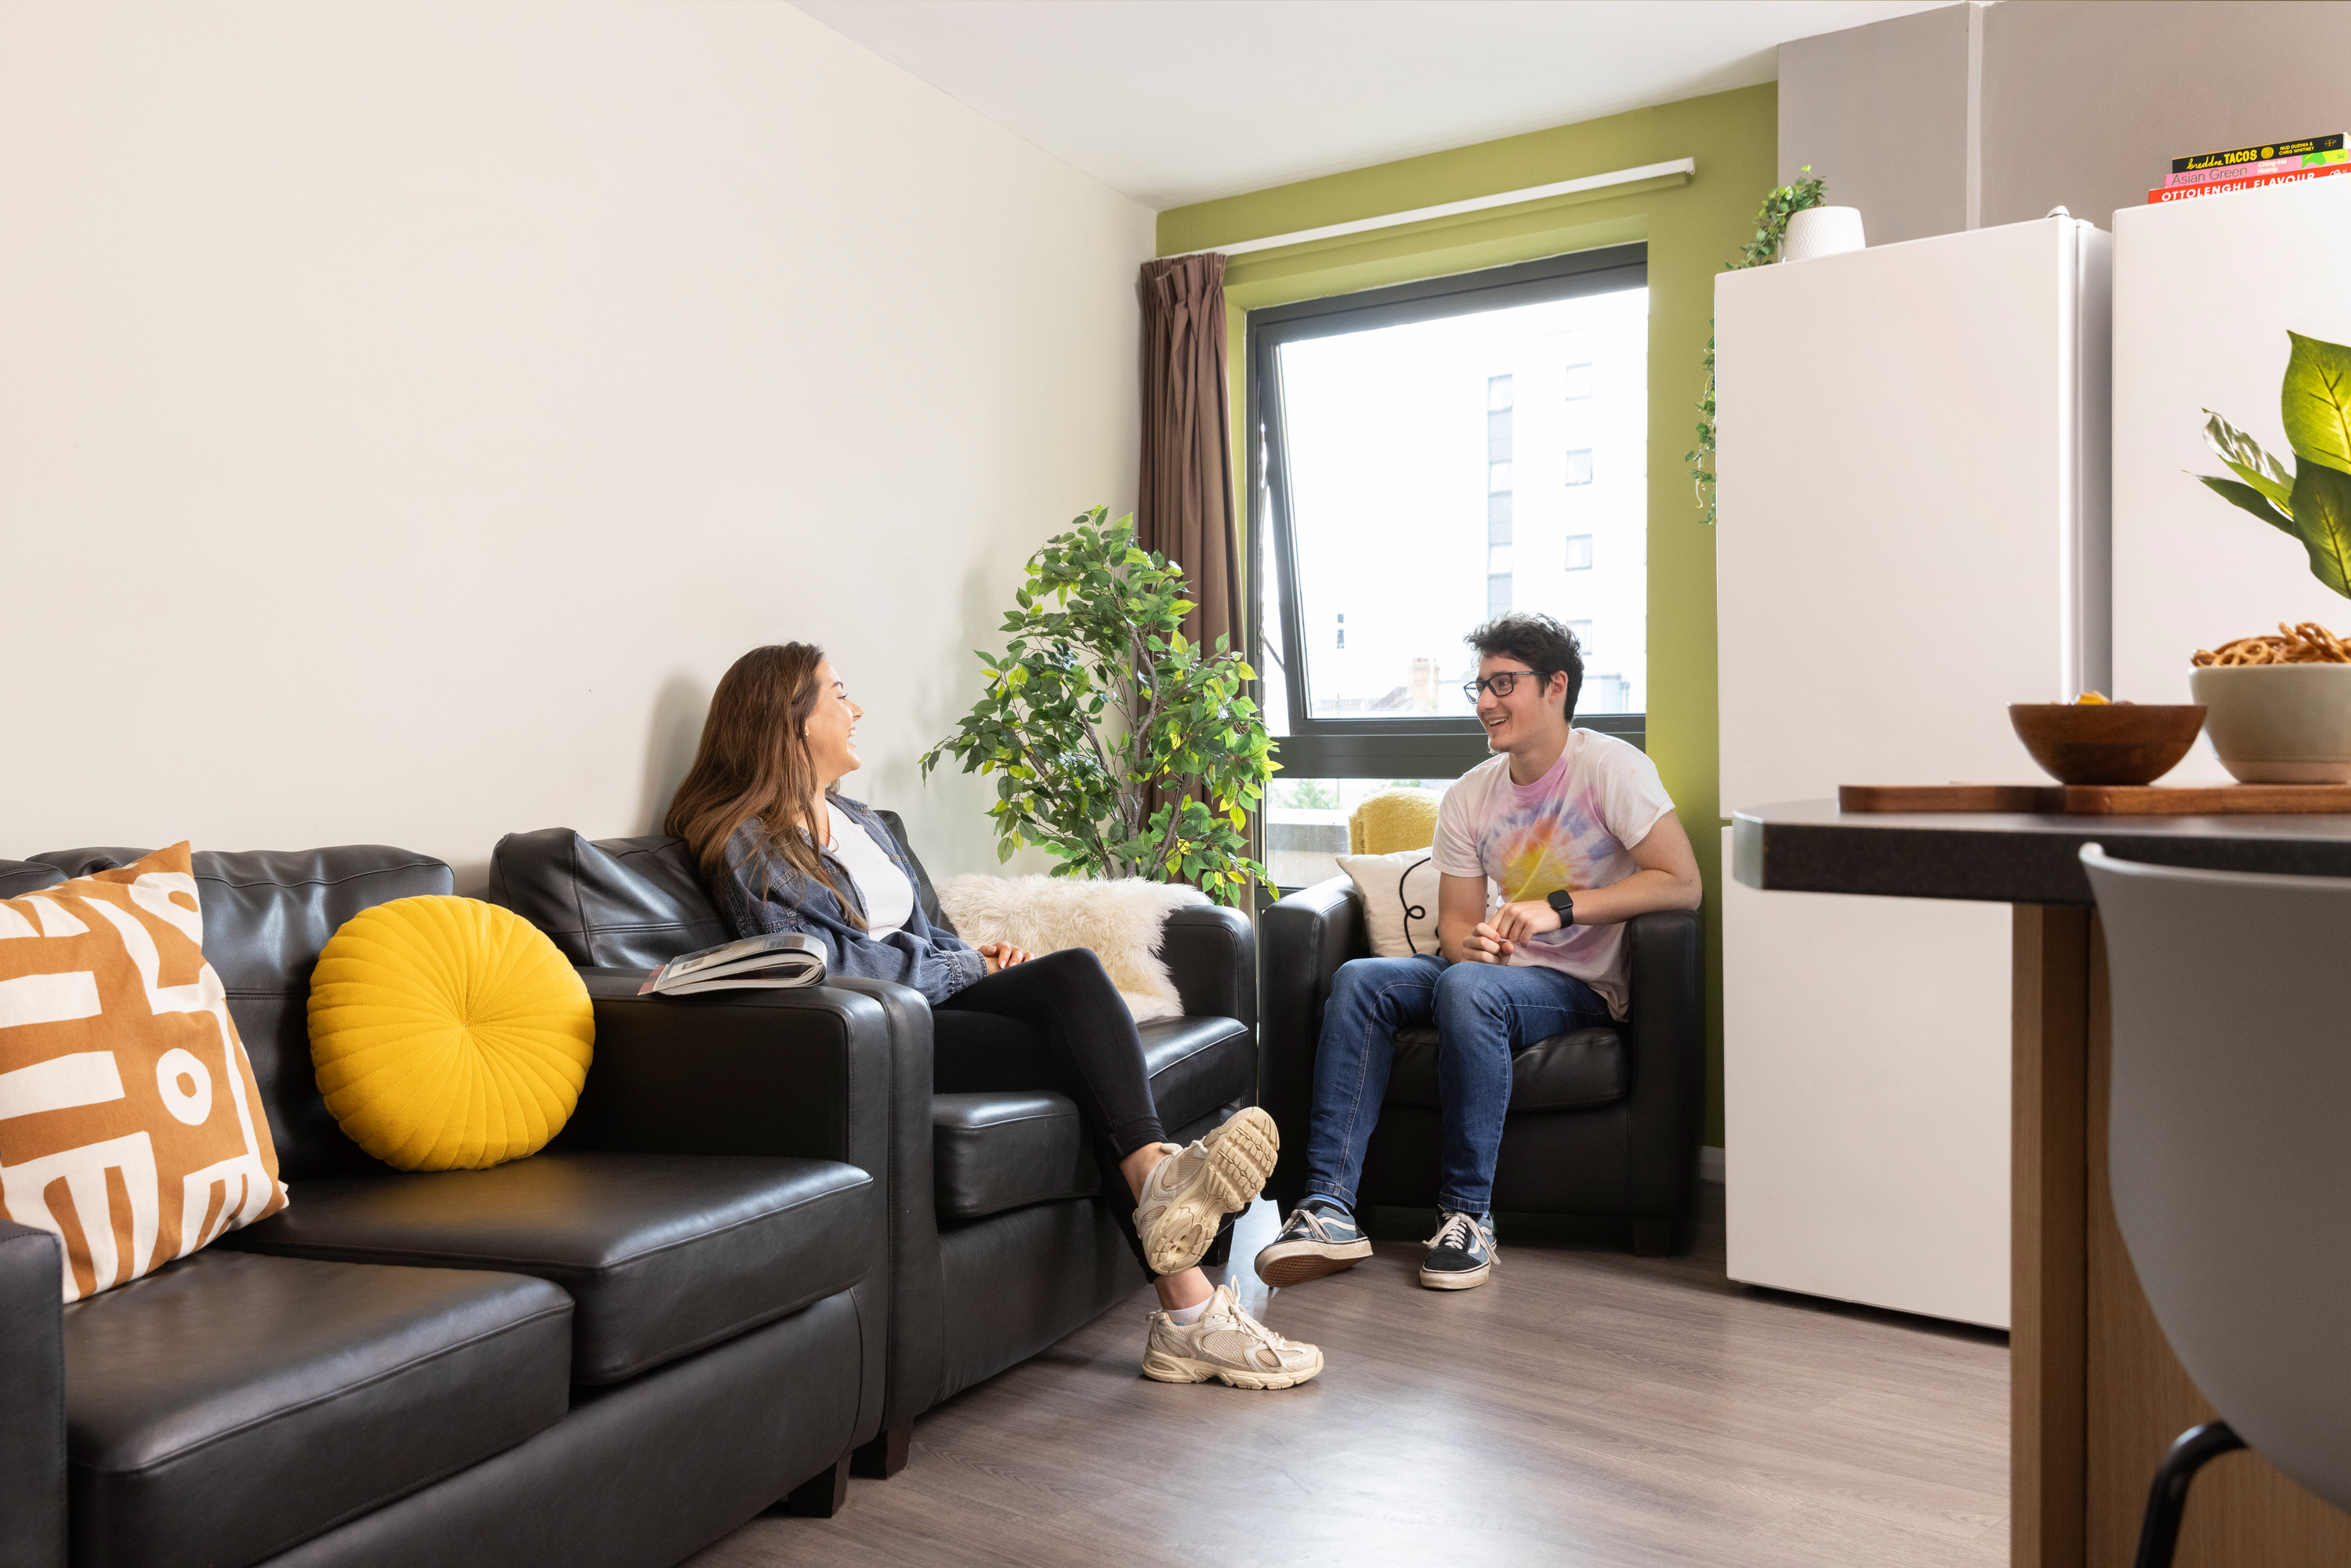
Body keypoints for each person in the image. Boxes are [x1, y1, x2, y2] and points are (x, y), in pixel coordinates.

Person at [667, 642, 1321, 1389]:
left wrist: (978, 954)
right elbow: (834, 963)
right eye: (837, 693)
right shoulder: (747, 841)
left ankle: (1166, 1228)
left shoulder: (863, 822)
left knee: (1072, 976)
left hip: (939, 991)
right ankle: (1182, 1280)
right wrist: (964, 966)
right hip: (890, 1029)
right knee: (1084, 1062)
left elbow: (927, 929)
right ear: (789, 722)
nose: (855, 709)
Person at [1255, 613, 1703, 1291]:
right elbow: (1457, 931)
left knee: (1468, 991)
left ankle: (1469, 1216)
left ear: (1556, 686)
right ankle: (1328, 1207)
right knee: (1360, 980)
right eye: (1480, 685)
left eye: (1503, 683)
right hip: (1488, 976)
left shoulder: (1611, 768)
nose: (1485, 702)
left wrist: (1556, 908)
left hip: (1575, 984)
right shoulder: (1472, 793)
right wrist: (1480, 943)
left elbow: (1683, 882)